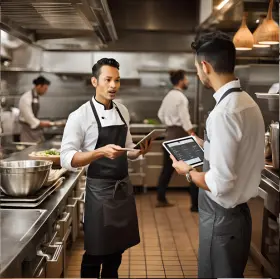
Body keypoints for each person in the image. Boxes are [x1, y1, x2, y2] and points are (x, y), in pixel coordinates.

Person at [170, 32, 265, 278]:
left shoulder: (224, 113)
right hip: (239, 217)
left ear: (205, 66)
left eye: (196, 68)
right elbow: (237, 152)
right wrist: (204, 144)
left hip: (222, 220)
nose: (198, 74)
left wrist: (187, 172)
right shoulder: (247, 102)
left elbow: (219, 183)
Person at [60, 58, 151, 278]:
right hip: (99, 193)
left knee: (116, 250)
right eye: (108, 80)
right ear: (94, 81)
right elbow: (66, 158)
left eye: (117, 80)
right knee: (95, 251)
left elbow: (127, 148)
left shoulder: (123, 111)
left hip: (122, 190)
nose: (113, 86)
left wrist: (138, 152)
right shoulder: (79, 116)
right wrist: (99, 152)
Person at [156, 70, 198, 210]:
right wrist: (192, 134)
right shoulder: (181, 98)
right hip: (180, 137)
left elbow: (160, 114)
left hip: (169, 136)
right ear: (180, 81)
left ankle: (160, 198)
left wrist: (169, 123)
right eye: (186, 79)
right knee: (193, 169)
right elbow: (185, 120)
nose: (187, 81)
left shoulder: (169, 96)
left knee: (167, 170)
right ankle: (195, 205)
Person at [18, 76, 52, 142]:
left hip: (35, 131)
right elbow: (29, 118)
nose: (46, 91)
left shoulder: (35, 97)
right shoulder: (26, 98)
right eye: (45, 88)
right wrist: (46, 124)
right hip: (27, 131)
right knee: (28, 150)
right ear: (39, 86)